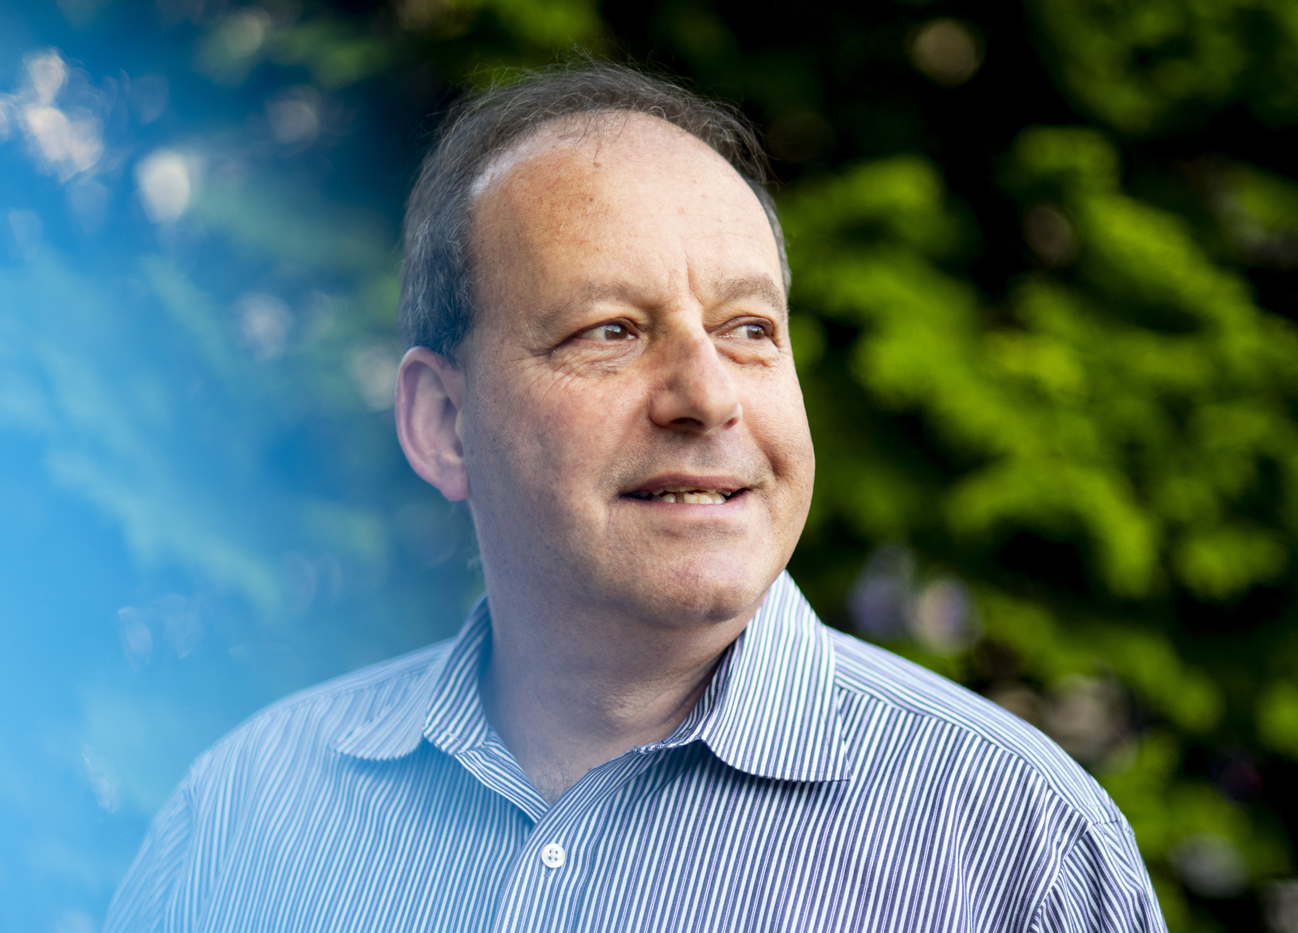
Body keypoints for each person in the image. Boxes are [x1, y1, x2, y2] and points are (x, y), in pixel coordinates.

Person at [105, 62, 1168, 932]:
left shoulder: (1013, 852)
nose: (707, 395)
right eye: (609, 330)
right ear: (441, 423)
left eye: (750, 329)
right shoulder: (242, 820)